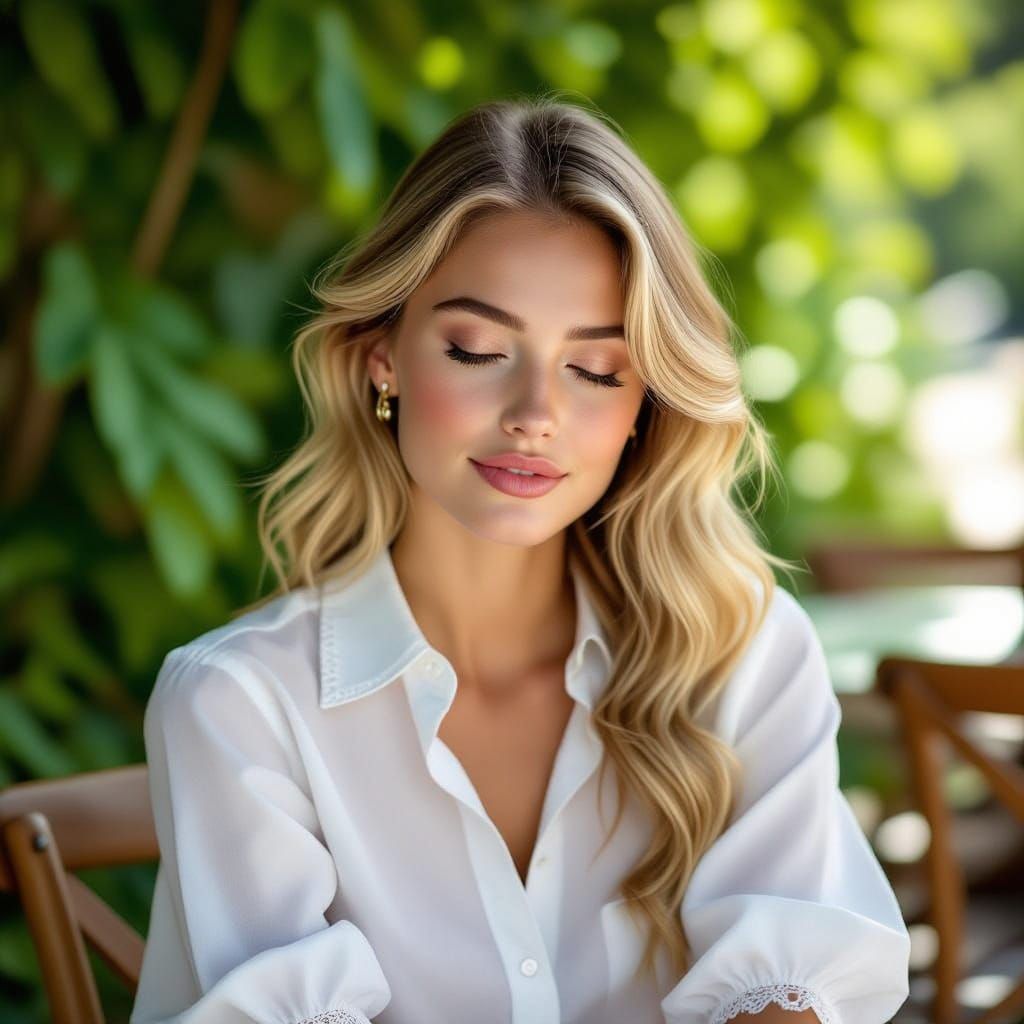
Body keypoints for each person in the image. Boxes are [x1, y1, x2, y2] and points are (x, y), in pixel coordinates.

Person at [129, 95, 911, 1024]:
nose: (535, 412)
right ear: (382, 358)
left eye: (594, 370)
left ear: (645, 407)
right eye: (477, 349)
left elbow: (792, 995)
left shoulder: (737, 651)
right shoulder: (240, 706)